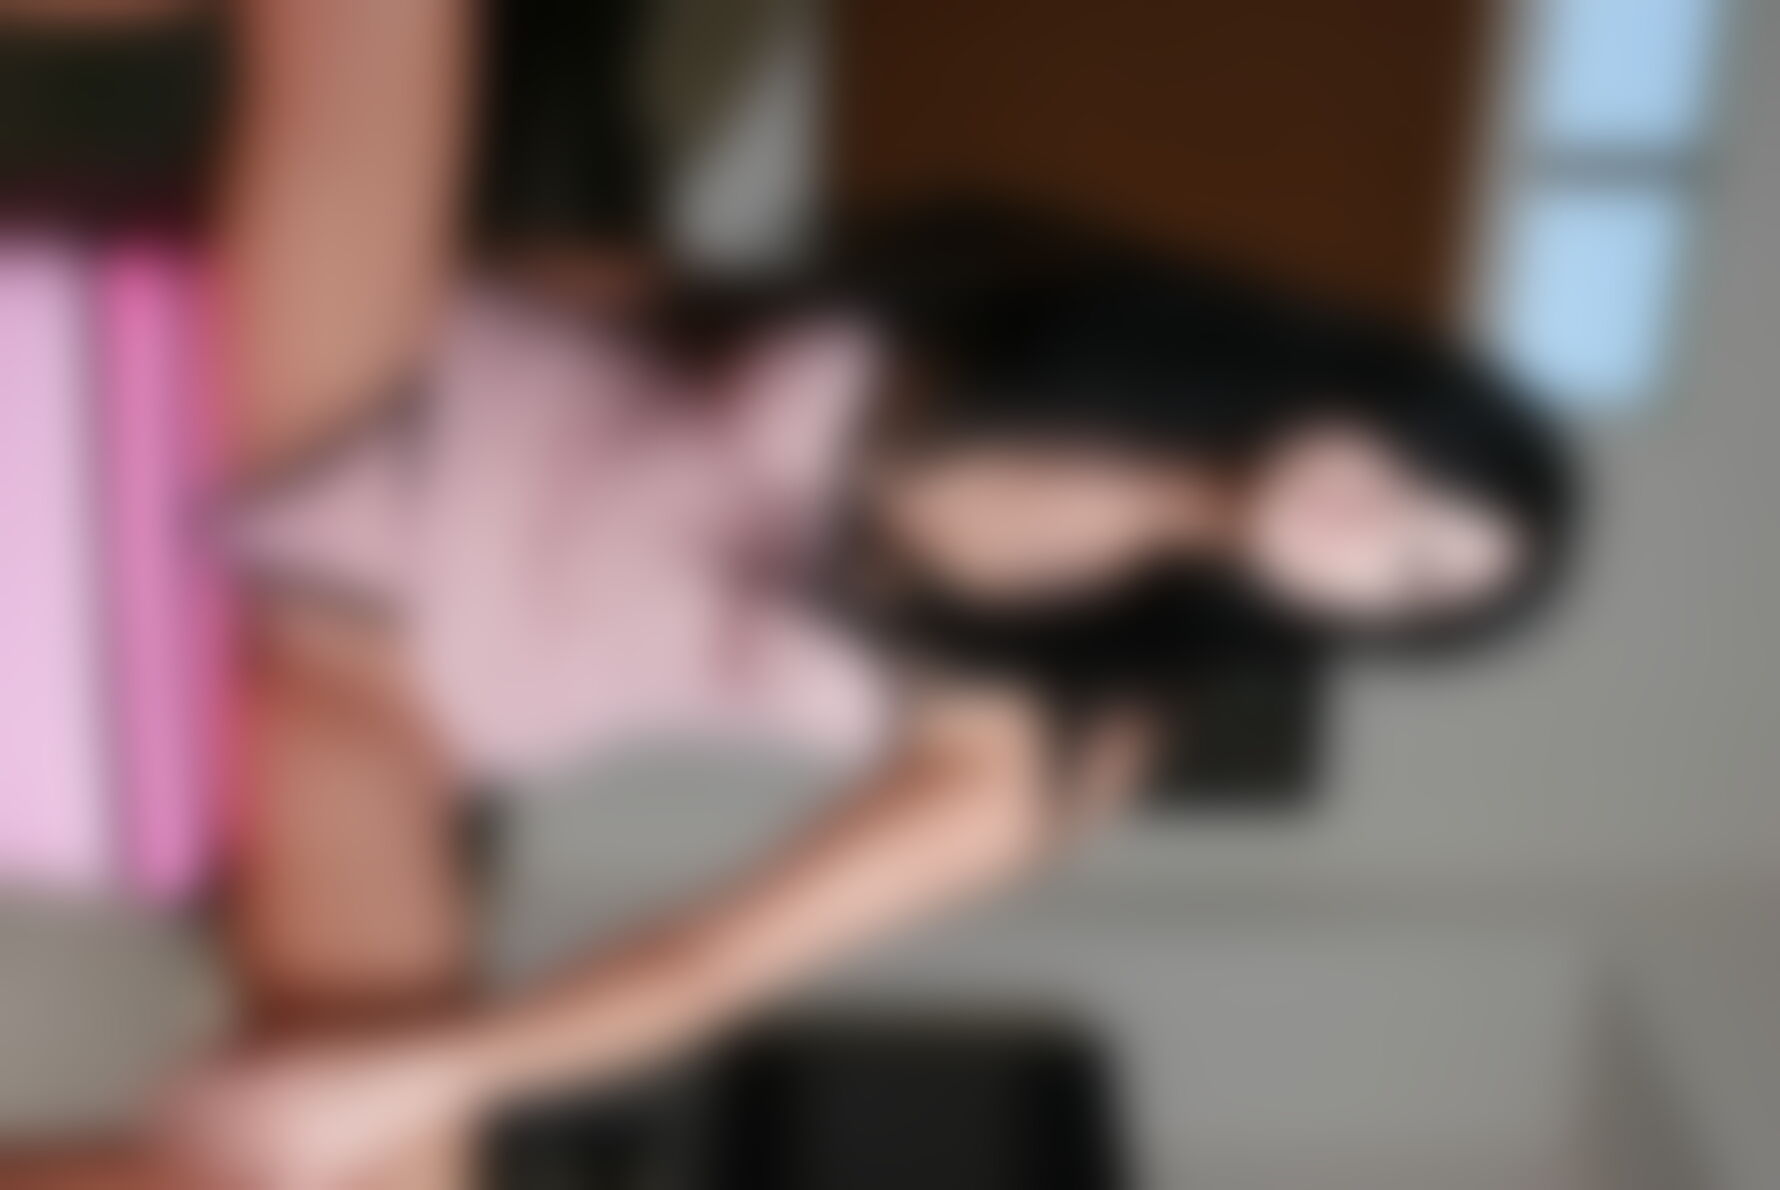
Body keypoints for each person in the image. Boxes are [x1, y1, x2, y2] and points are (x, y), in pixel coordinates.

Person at [3, 1, 1577, 1187]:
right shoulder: (1051, 311)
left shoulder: (1079, 729)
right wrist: (197, 210)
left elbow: (709, 964)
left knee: (383, 1174)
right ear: (1382, 396)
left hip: (371, 682)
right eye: (1427, 482)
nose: (1383, 527)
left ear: (1354, 627)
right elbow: (646, 298)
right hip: (364, 401)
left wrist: (412, 1069)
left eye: (1414, 576)